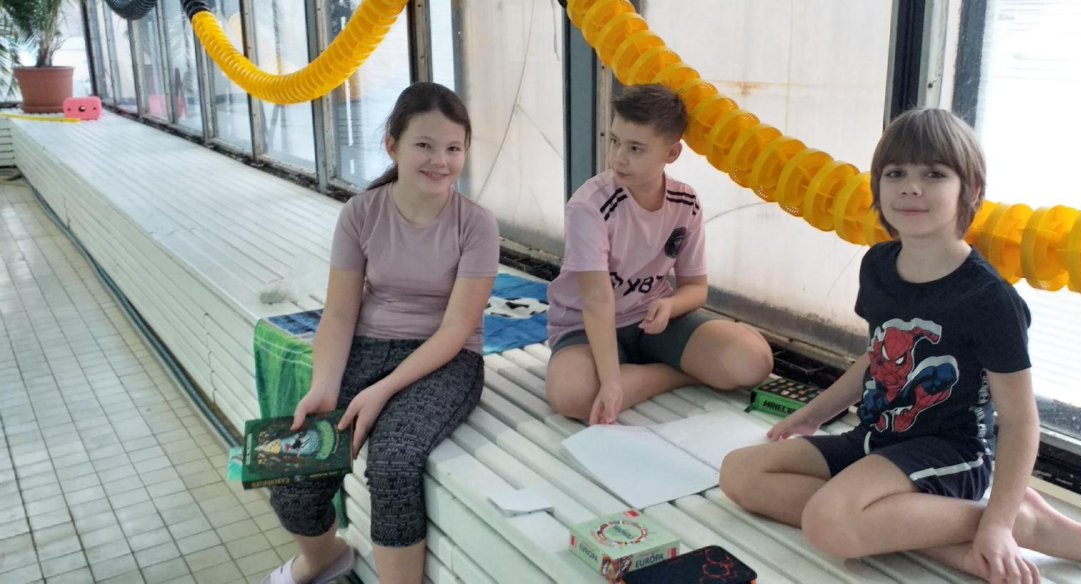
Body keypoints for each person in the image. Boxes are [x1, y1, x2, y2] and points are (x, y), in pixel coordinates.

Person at [719, 108, 1081, 584]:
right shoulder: (878, 266)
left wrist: (999, 521)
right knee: (740, 473)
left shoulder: (989, 300)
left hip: (950, 453)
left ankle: (1015, 521)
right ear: (877, 187)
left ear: (971, 191)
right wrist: (814, 414)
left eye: (933, 174)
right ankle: (960, 545)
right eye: (895, 173)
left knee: (829, 521)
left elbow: (1021, 421)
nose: (910, 187)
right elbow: (876, 358)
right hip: (878, 438)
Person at [262, 82, 499, 584]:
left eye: (453, 148)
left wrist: (382, 390)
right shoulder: (361, 213)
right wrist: (325, 387)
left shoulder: (477, 225)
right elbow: (339, 314)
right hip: (367, 347)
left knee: (393, 464)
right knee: (294, 471)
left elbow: (456, 329)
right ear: (392, 146)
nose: (441, 161)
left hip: (446, 359)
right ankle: (324, 558)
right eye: (424, 145)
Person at [544, 84, 773, 426]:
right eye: (615, 141)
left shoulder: (685, 203)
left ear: (672, 153)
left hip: (653, 324)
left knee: (754, 360)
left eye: (635, 148)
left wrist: (670, 305)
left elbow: (696, 287)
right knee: (573, 396)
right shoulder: (589, 207)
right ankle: (679, 374)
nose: (618, 158)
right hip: (586, 326)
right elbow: (597, 301)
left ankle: (646, 374)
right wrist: (610, 382)